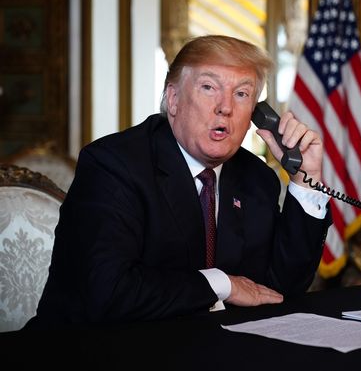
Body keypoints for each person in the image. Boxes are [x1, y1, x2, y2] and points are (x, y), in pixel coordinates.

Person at [26, 35, 332, 328]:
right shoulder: (113, 165)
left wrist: (306, 180)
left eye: (241, 94)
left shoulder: (257, 177)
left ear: (256, 113)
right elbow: (109, 292)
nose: (225, 107)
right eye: (209, 87)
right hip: (88, 349)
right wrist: (222, 284)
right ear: (173, 99)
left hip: (207, 348)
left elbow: (279, 290)